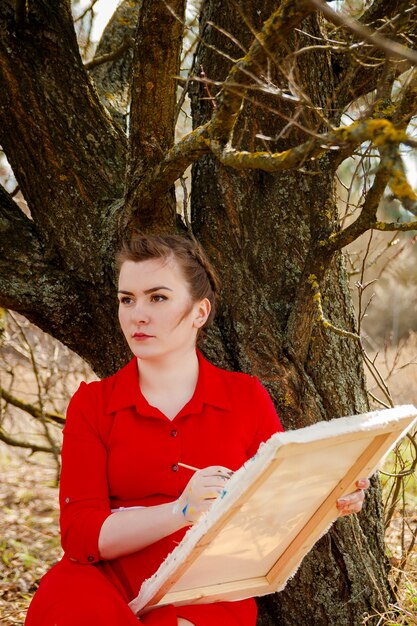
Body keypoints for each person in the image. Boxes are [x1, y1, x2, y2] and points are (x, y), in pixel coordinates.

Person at [25, 234, 369, 626]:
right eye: (127, 299)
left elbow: (276, 506)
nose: (138, 314)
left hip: (205, 592)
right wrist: (180, 511)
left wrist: (329, 497)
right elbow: (81, 535)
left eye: (157, 298)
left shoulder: (245, 397)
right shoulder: (93, 404)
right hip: (101, 583)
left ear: (199, 312)